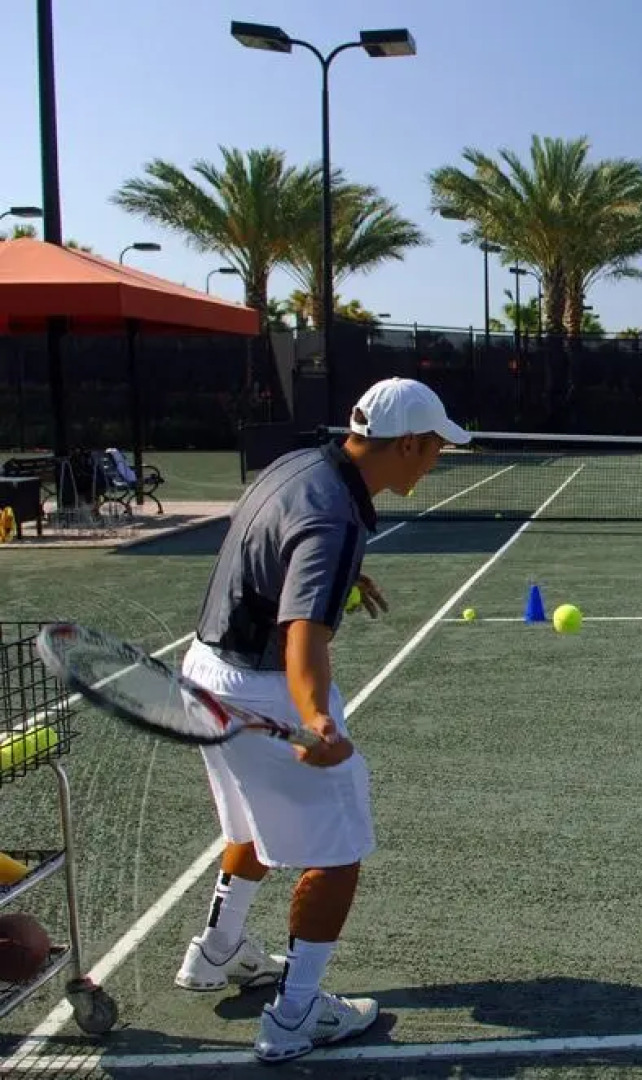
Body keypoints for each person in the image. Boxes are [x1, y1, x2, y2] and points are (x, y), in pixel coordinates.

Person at [173, 377, 469, 1064]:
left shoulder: (301, 463)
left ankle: (216, 952)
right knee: (336, 852)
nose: (436, 460)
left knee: (247, 819)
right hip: (269, 685)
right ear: (407, 444)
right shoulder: (334, 519)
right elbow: (304, 635)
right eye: (434, 449)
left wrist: (341, 576)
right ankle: (296, 1015)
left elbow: (269, 536)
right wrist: (317, 723)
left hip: (207, 672)